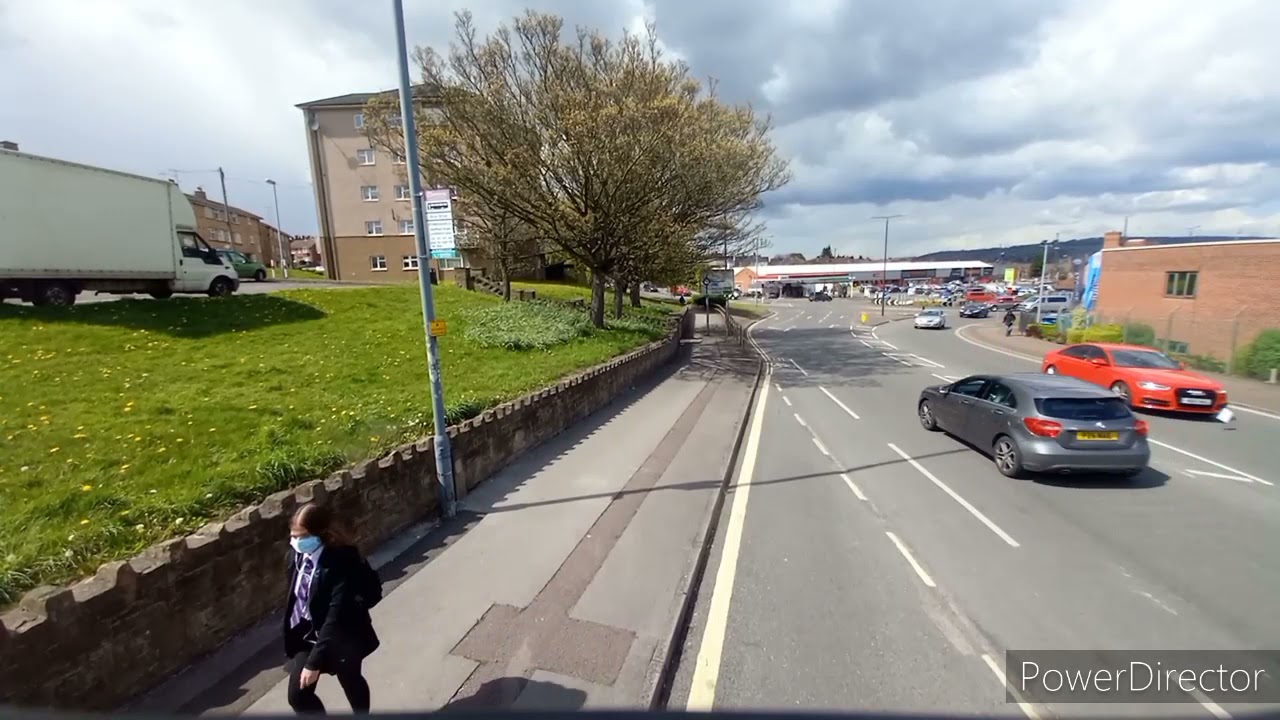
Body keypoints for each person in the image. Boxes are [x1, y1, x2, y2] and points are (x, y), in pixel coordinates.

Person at [283, 503, 380, 715]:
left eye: (303, 537)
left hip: (343, 635)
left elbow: (334, 616)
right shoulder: (295, 557)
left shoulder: (341, 561)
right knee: (298, 695)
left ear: (321, 534)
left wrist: (313, 663)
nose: (297, 542)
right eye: (294, 536)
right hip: (308, 634)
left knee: (350, 679)